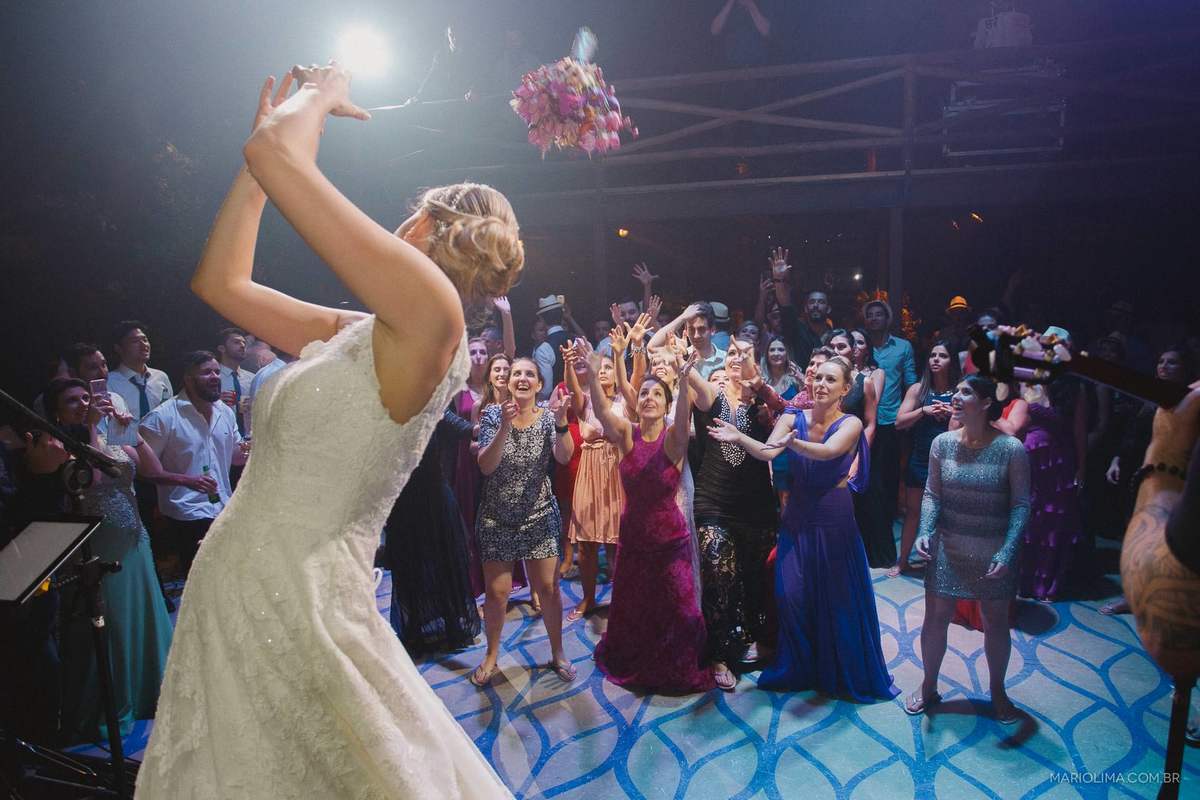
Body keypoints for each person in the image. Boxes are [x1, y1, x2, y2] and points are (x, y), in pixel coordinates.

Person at [136, 68, 524, 799]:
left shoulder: (434, 310)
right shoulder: (366, 330)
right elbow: (222, 283)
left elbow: (280, 153)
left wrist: (320, 94)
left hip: (296, 593)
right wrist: (256, 165)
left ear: (428, 227)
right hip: (241, 580)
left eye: (408, 216)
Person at [710, 357, 896, 700]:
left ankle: (836, 671)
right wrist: (738, 437)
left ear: (845, 388)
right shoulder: (793, 416)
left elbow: (827, 453)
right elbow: (767, 452)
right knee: (790, 594)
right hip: (798, 517)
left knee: (837, 600)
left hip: (834, 519)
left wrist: (792, 444)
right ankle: (801, 666)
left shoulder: (851, 423)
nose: (821, 384)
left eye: (830, 380)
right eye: (818, 378)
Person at [578, 345, 716, 693]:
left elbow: (684, 425)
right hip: (635, 538)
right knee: (634, 607)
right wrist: (593, 375)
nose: (649, 397)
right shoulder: (627, 435)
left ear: (666, 405)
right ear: (637, 402)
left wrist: (683, 384)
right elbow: (602, 413)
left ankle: (678, 664)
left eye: (657, 393)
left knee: (677, 608)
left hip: (670, 540)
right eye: (644, 392)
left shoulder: (672, 440)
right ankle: (635, 661)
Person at [44, 378, 174, 742]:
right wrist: (89, 428)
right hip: (100, 547)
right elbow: (97, 475)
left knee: (142, 617)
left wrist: (127, 428)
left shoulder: (109, 439)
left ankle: (149, 695)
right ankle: (111, 706)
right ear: (56, 411)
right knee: (112, 626)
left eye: (87, 396)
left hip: (134, 541)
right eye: (73, 400)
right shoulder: (58, 448)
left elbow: (147, 467)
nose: (84, 403)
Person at [904, 375, 1030, 722]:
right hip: (949, 546)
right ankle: (928, 685)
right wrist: (925, 530)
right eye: (955, 391)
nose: (956, 397)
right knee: (935, 620)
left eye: (965, 392)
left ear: (987, 402)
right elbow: (932, 494)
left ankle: (998, 692)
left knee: (995, 622)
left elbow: (1021, 505)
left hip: (993, 549)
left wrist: (1007, 551)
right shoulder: (942, 444)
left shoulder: (1010, 449)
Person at [472, 358, 577, 687]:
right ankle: (491, 655)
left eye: (529, 374)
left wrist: (561, 423)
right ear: (507, 382)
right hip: (497, 517)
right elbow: (486, 466)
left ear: (538, 384)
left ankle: (558, 651)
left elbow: (564, 456)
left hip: (539, 514)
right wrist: (504, 425)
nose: (521, 378)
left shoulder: (548, 416)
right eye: (516, 373)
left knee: (547, 588)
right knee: (497, 593)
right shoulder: (492, 414)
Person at [688, 339, 780, 689]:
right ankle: (720, 653)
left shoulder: (766, 404)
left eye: (744, 355)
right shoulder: (713, 395)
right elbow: (696, 382)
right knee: (719, 577)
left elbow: (785, 419)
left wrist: (758, 391)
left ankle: (756, 638)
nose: (736, 360)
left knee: (755, 578)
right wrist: (686, 366)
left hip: (757, 506)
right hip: (714, 503)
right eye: (730, 354)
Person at [138, 352, 246, 581]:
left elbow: (236, 457)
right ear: (188, 378)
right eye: (207, 372)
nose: (215, 376)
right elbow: (144, 471)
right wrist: (187, 480)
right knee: (201, 583)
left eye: (217, 371)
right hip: (186, 513)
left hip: (223, 507)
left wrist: (254, 446)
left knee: (229, 579)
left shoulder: (224, 412)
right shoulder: (162, 417)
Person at [383, 409, 481, 656]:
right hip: (402, 502)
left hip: (436, 497)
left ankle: (451, 626)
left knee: (445, 561)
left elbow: (466, 428)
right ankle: (414, 628)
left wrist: (498, 421)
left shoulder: (432, 402)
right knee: (410, 565)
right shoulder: (382, 410)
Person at [1018, 328, 1087, 602]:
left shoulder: (1074, 387)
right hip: (1028, 457)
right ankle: (1022, 581)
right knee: (1028, 518)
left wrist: (1083, 469)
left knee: (1053, 520)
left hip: (1058, 461)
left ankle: (1045, 585)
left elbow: (1079, 432)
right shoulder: (1029, 378)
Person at [564, 342, 625, 621]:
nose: (604, 372)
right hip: (589, 473)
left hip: (618, 472)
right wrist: (569, 364)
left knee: (616, 542)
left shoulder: (626, 400)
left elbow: (635, 376)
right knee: (586, 545)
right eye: (600, 367)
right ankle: (588, 598)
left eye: (609, 367)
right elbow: (572, 389)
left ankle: (620, 599)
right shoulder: (586, 401)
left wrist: (624, 352)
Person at [891, 341, 960, 576]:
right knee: (913, 512)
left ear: (953, 361)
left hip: (952, 461)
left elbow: (979, 423)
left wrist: (954, 412)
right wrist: (924, 411)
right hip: (921, 459)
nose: (936, 359)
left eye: (943, 355)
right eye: (932, 355)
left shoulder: (961, 389)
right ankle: (903, 562)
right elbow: (899, 423)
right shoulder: (918, 390)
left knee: (947, 515)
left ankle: (942, 565)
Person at [862, 299, 918, 528]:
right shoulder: (862, 345)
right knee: (867, 467)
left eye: (879, 314)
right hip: (864, 417)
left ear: (887, 319)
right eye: (870, 315)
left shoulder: (903, 347)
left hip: (891, 417)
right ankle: (867, 515)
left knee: (891, 469)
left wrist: (910, 414)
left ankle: (888, 515)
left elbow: (911, 381)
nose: (874, 318)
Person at [845, 328, 894, 567]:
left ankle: (875, 553)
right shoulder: (838, 373)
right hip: (845, 434)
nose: (855, 346)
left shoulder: (874, 374)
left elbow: (870, 405)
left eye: (860, 342)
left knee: (870, 492)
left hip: (868, 434)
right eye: (851, 342)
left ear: (867, 348)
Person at [650, 302, 726, 379]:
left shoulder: (725, 359)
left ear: (712, 330)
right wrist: (683, 317)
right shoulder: (680, 355)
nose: (696, 335)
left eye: (701, 329)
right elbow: (652, 346)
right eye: (691, 330)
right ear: (685, 331)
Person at [216, 327, 254, 436]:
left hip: (248, 437)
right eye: (236, 342)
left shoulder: (252, 378)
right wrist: (214, 403)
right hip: (220, 436)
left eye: (244, 343)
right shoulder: (212, 378)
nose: (242, 346)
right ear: (222, 348)